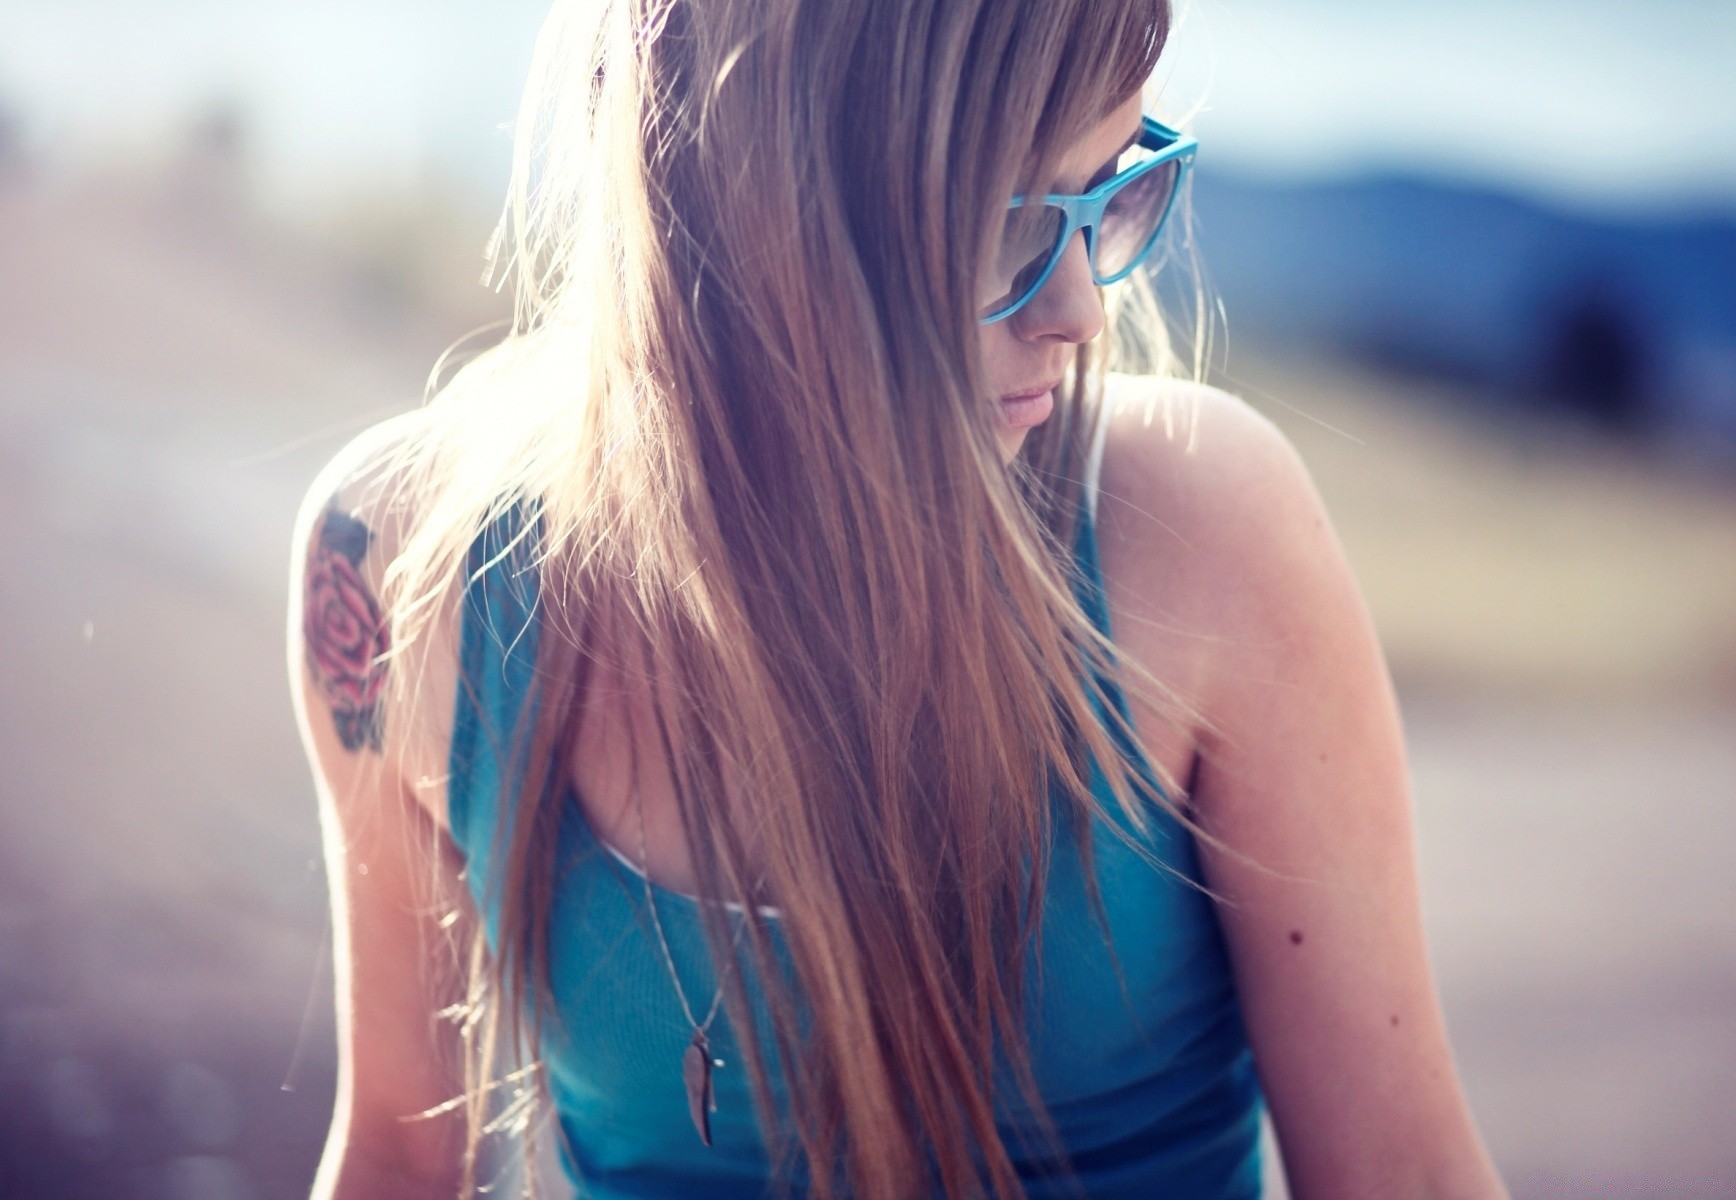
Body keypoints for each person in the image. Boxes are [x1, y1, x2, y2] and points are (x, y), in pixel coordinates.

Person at [290, 1, 1508, 1197]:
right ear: (757, 199)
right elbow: (397, 1157)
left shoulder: (1197, 536)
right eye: (1011, 223)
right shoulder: (401, 568)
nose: (1081, 313)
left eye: (1115, 189)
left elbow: (1405, 1174)